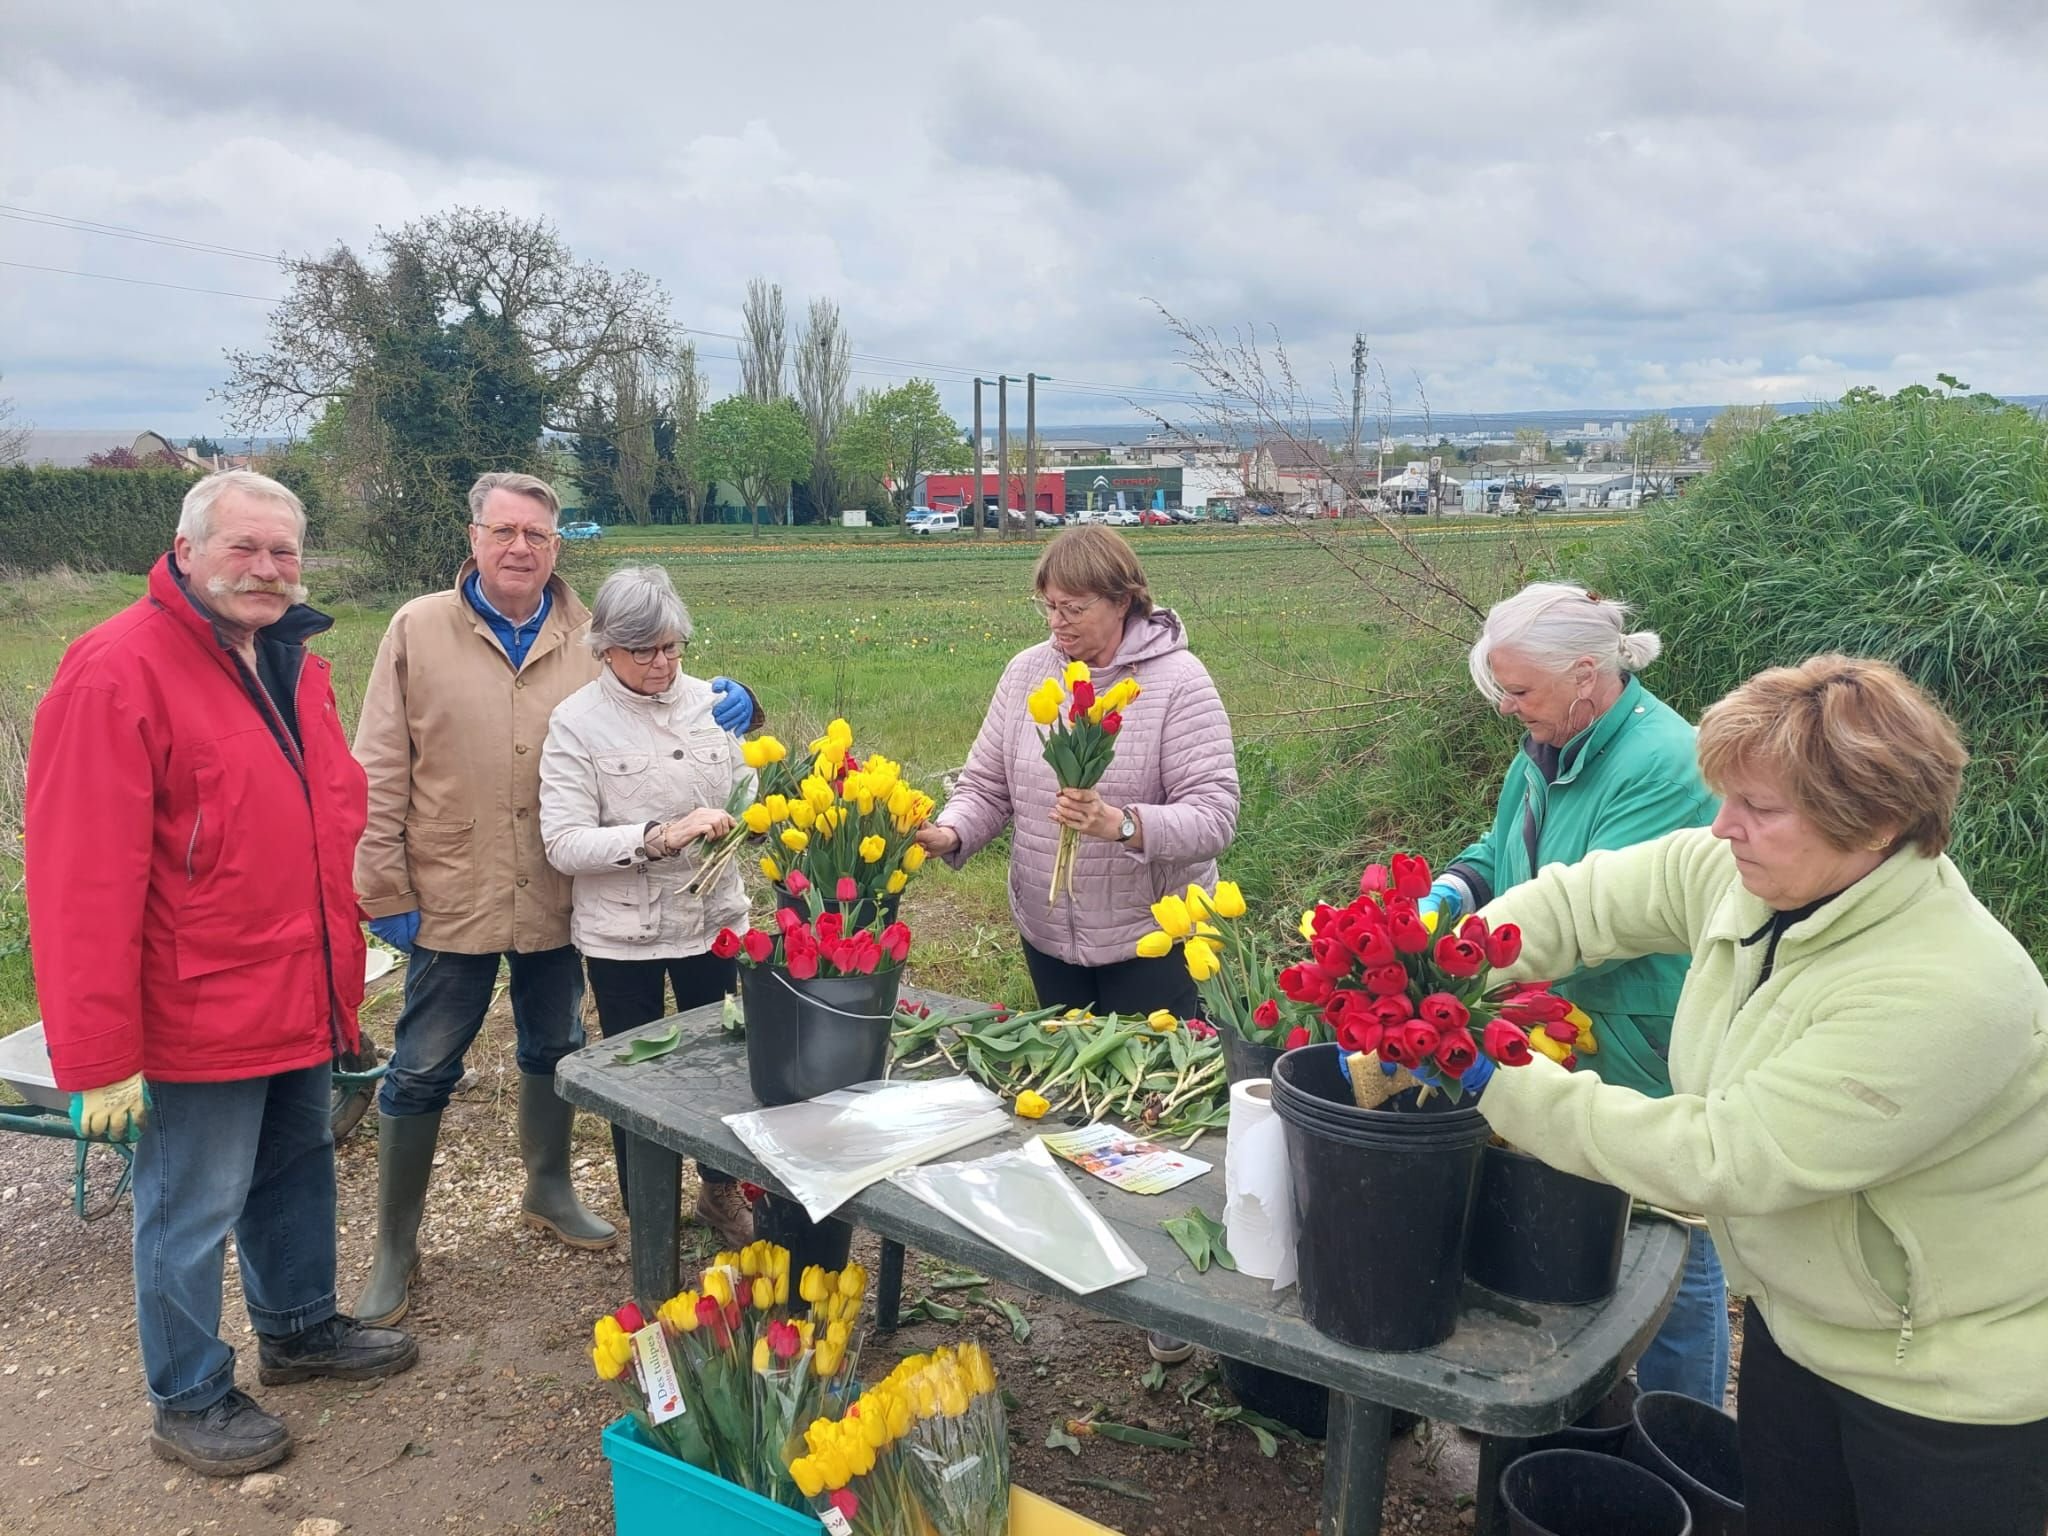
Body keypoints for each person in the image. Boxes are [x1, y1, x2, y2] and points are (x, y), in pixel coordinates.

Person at [1474, 655, 2048, 1536]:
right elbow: (1589, 902)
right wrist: (1452, 954)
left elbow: (1722, 1158)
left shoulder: (1951, 992)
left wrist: (1492, 1077)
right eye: (1726, 796)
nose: (1722, 827)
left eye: (1761, 809)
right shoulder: (1752, 879)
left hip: (1948, 1391)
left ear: (1878, 822)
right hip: (1801, 1328)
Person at [25, 470, 416, 1475]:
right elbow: (79, 879)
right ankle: (189, 1395)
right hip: (194, 1007)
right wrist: (102, 1055)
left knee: (295, 1171)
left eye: (284, 552)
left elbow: (320, 832)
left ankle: (297, 1330)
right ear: (186, 549)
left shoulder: (291, 662)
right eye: (244, 549)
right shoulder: (115, 671)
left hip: (293, 991)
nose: (267, 570)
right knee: (189, 1206)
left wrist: (347, 971)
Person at [351, 473, 758, 1325]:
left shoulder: (588, 632)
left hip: (554, 894)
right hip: (451, 887)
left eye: (537, 535)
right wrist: (381, 883)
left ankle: (548, 1189)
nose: (520, 549)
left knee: (556, 1045)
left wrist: (739, 700)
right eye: (504, 532)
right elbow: (380, 766)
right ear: (474, 537)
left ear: (556, 545)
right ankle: (395, 1246)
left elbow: (660, 682)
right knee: (425, 1064)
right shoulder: (419, 629)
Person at [914, 526, 1238, 1360]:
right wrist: (949, 835)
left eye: (1075, 607)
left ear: (1126, 598)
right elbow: (986, 784)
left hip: (1151, 939)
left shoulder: (1177, 685)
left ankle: (1172, 1305)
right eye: (1047, 606)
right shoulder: (1031, 673)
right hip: (1050, 930)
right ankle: (1095, 1263)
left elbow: (1215, 816)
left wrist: (1122, 822)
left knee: (1153, 1121)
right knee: (1072, 1106)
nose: (1057, 622)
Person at [1421, 581, 1729, 1405]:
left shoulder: (1665, 762)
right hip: (1551, 1015)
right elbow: (1502, 847)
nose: (1508, 709)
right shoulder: (1550, 745)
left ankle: (1681, 1426)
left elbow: (1595, 909)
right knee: (1578, 1220)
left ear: (1586, 674)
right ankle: (1590, 1402)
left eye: (1519, 691)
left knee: (1665, 1235)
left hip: (1631, 1027)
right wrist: (1453, 890)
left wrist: (1456, 979)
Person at [537, 565, 755, 1247]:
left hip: (713, 922)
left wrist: (758, 812)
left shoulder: (711, 704)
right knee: (636, 1083)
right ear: (606, 648)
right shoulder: (577, 722)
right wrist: (657, 838)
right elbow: (564, 843)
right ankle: (649, 1216)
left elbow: (749, 781)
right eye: (644, 651)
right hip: (624, 939)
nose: (663, 663)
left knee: (724, 1070)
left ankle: (721, 1195)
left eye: (673, 647)